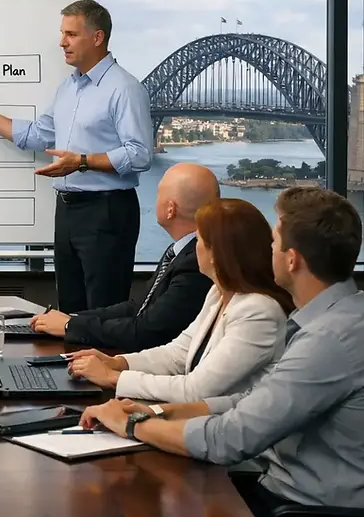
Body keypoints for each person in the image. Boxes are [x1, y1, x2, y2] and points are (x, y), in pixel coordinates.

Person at [77, 187, 364, 515]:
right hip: (276, 484)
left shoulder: (329, 340)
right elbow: (257, 400)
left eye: (273, 242)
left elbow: (229, 439)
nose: (267, 250)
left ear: (292, 259)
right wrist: (161, 412)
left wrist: (131, 425)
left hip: (299, 504)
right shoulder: (340, 318)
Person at [0, 0, 153, 313]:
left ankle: (102, 364)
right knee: (69, 311)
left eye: (71, 34)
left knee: (103, 314)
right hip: (68, 214)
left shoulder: (124, 89)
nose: (62, 42)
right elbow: (38, 134)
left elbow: (140, 154)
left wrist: (82, 162)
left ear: (97, 37)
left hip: (108, 212)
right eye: (63, 33)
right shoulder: (68, 88)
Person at [68, 198, 292, 403]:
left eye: (200, 239)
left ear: (216, 254)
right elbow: (177, 354)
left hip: (233, 437)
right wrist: (118, 362)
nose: (195, 247)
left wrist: (114, 378)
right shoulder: (218, 293)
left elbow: (196, 389)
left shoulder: (259, 312)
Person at [30, 162, 218, 352]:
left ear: (171, 210)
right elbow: (137, 307)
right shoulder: (183, 251)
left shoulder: (195, 263)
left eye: (158, 193)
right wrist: (72, 318)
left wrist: (70, 327)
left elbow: (145, 332)